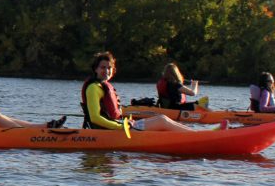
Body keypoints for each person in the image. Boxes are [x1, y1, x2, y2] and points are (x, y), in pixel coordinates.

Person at [83, 52, 219, 131]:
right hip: (111, 131)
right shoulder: (94, 88)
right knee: (162, 121)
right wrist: (121, 127)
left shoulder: (103, 86)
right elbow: (95, 118)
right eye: (103, 67)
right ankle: (203, 136)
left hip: (118, 126)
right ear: (95, 69)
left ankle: (199, 135)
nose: (106, 71)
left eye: (109, 68)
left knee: (162, 120)